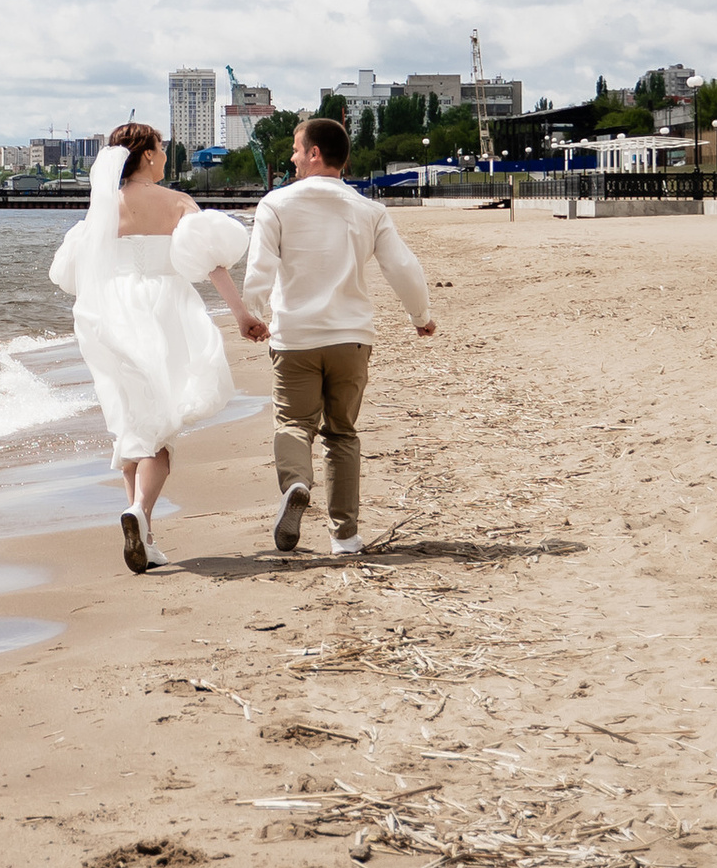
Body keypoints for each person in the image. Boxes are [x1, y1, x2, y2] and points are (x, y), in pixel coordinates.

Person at [50, 120, 267, 573]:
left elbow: (70, 276)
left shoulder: (102, 210)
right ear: (147, 154)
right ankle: (139, 514)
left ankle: (144, 536)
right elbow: (212, 265)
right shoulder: (177, 203)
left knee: (134, 419)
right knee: (160, 428)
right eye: (161, 147)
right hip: (163, 308)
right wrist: (242, 315)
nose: (166, 154)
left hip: (109, 312)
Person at [242, 116, 436, 562]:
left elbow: (260, 267)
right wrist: (420, 316)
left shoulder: (276, 204)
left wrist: (252, 314)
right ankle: (345, 537)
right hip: (351, 339)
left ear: (314, 153)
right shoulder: (368, 209)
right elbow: (402, 267)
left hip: (295, 338)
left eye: (296, 148)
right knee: (342, 434)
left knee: (293, 425)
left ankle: (295, 482)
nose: (291, 157)